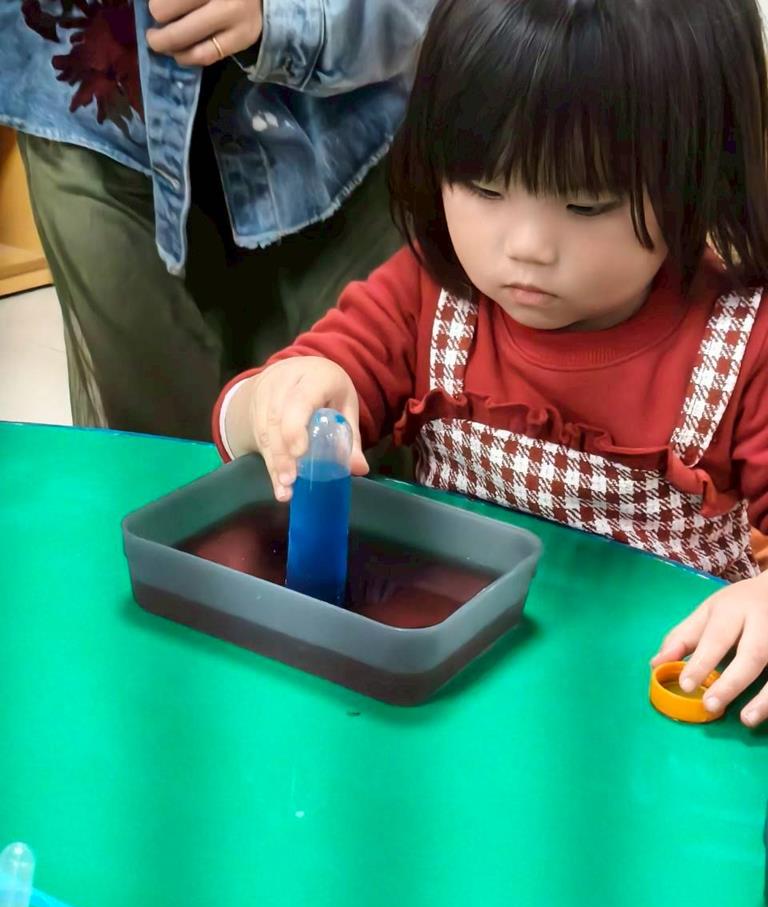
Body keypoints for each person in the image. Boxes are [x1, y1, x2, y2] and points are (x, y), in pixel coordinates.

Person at [214, 0, 768, 726]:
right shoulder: (429, 297)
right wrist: (273, 405)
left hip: (641, 716)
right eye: (484, 188)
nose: (526, 247)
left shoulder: (740, 344)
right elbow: (244, 420)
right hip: (447, 700)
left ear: (697, 177)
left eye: (587, 204)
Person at [0, 0, 435, 438]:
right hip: (90, 122)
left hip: (334, 132)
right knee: (158, 450)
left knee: (337, 431)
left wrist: (286, 14)